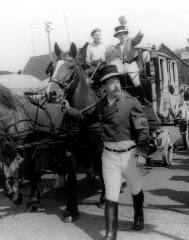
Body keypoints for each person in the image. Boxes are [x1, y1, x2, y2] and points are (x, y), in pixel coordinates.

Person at [62, 65, 150, 240]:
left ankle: (139, 215)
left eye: (117, 81)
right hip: (109, 156)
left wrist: (142, 152)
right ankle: (110, 234)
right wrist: (68, 109)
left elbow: (143, 130)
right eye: (111, 83)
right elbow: (84, 117)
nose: (116, 86)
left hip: (129, 155)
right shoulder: (101, 105)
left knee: (135, 188)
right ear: (103, 87)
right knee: (110, 193)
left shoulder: (131, 102)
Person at [109, 16, 151, 105]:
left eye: (123, 34)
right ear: (117, 37)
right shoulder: (116, 46)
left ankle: (143, 99)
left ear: (126, 34)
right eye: (120, 35)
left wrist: (139, 35)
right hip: (122, 66)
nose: (122, 36)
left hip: (131, 64)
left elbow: (136, 40)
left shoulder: (130, 41)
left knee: (136, 82)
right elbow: (113, 57)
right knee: (116, 79)